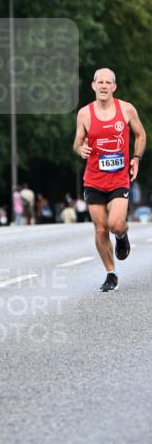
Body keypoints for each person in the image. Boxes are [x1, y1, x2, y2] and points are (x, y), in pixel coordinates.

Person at [73, 67, 146, 291]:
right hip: (94, 179)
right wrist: (80, 150)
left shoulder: (126, 109)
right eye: (100, 82)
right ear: (93, 86)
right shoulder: (85, 114)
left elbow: (140, 134)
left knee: (115, 224)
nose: (104, 86)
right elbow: (77, 142)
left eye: (108, 82)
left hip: (118, 178)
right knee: (101, 229)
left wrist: (136, 157)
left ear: (114, 86)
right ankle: (110, 273)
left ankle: (122, 236)